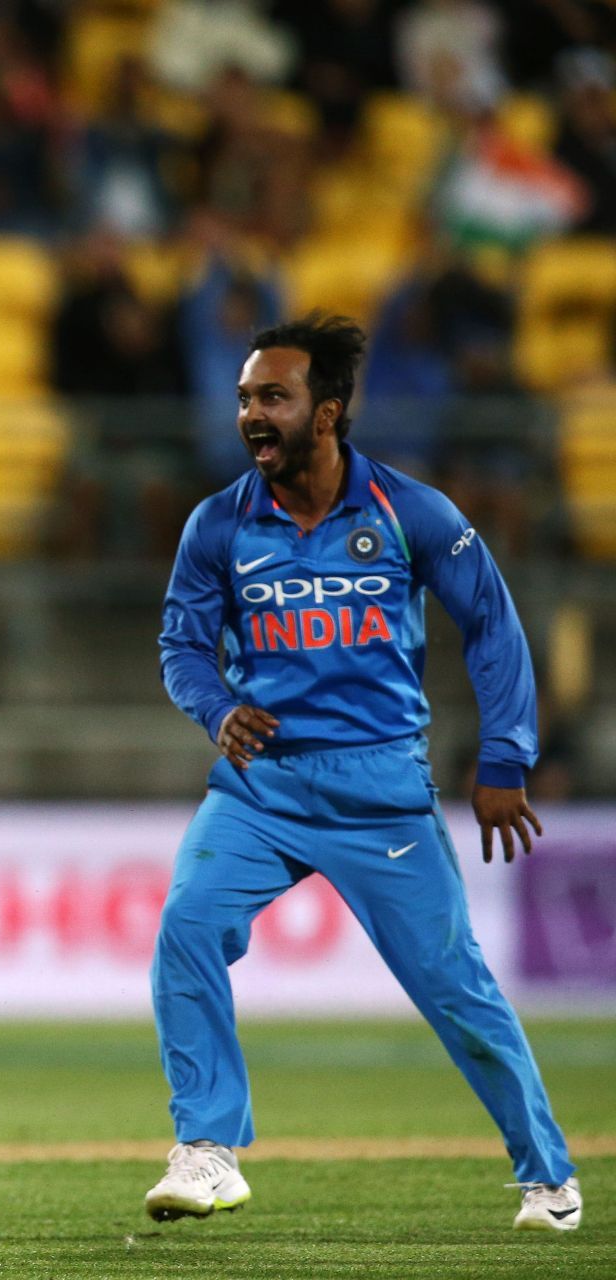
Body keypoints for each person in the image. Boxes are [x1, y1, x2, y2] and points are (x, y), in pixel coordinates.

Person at [151, 313, 580, 1231]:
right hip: (260, 786)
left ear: (330, 411)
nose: (251, 416)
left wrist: (505, 755)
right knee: (187, 925)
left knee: (455, 988)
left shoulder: (410, 512)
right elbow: (181, 646)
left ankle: (548, 1176)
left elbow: (494, 626)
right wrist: (219, 709)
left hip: (379, 791)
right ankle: (208, 1148)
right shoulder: (218, 524)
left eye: (274, 397)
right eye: (244, 399)